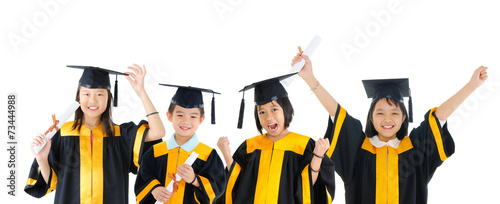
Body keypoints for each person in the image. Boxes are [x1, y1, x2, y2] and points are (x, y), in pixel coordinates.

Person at [292, 53, 488, 204]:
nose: (387, 118)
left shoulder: (416, 150)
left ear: (404, 117)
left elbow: (439, 117)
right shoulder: (359, 152)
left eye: (394, 113)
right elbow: (337, 113)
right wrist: (310, 77)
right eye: (380, 112)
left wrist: (472, 85)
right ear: (371, 117)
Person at [25, 64, 166, 204]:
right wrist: (42, 159)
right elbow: (53, 182)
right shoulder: (62, 133)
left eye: (100, 94)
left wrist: (141, 92)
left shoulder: (121, 135)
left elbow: (158, 132)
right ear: (78, 97)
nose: (92, 100)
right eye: (86, 94)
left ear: (108, 98)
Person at [218, 73, 336, 203]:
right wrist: (226, 154)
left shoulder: (303, 145)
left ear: (286, 110)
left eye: (274, 109)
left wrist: (318, 156)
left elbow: (308, 188)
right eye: (262, 112)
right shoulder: (249, 146)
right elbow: (237, 182)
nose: (268, 117)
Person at [135, 84, 225, 204]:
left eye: (193, 116)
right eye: (180, 115)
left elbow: (218, 186)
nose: (186, 121)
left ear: (201, 119)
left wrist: (194, 180)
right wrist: (154, 188)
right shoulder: (156, 151)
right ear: (169, 116)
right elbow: (143, 177)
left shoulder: (208, 154)